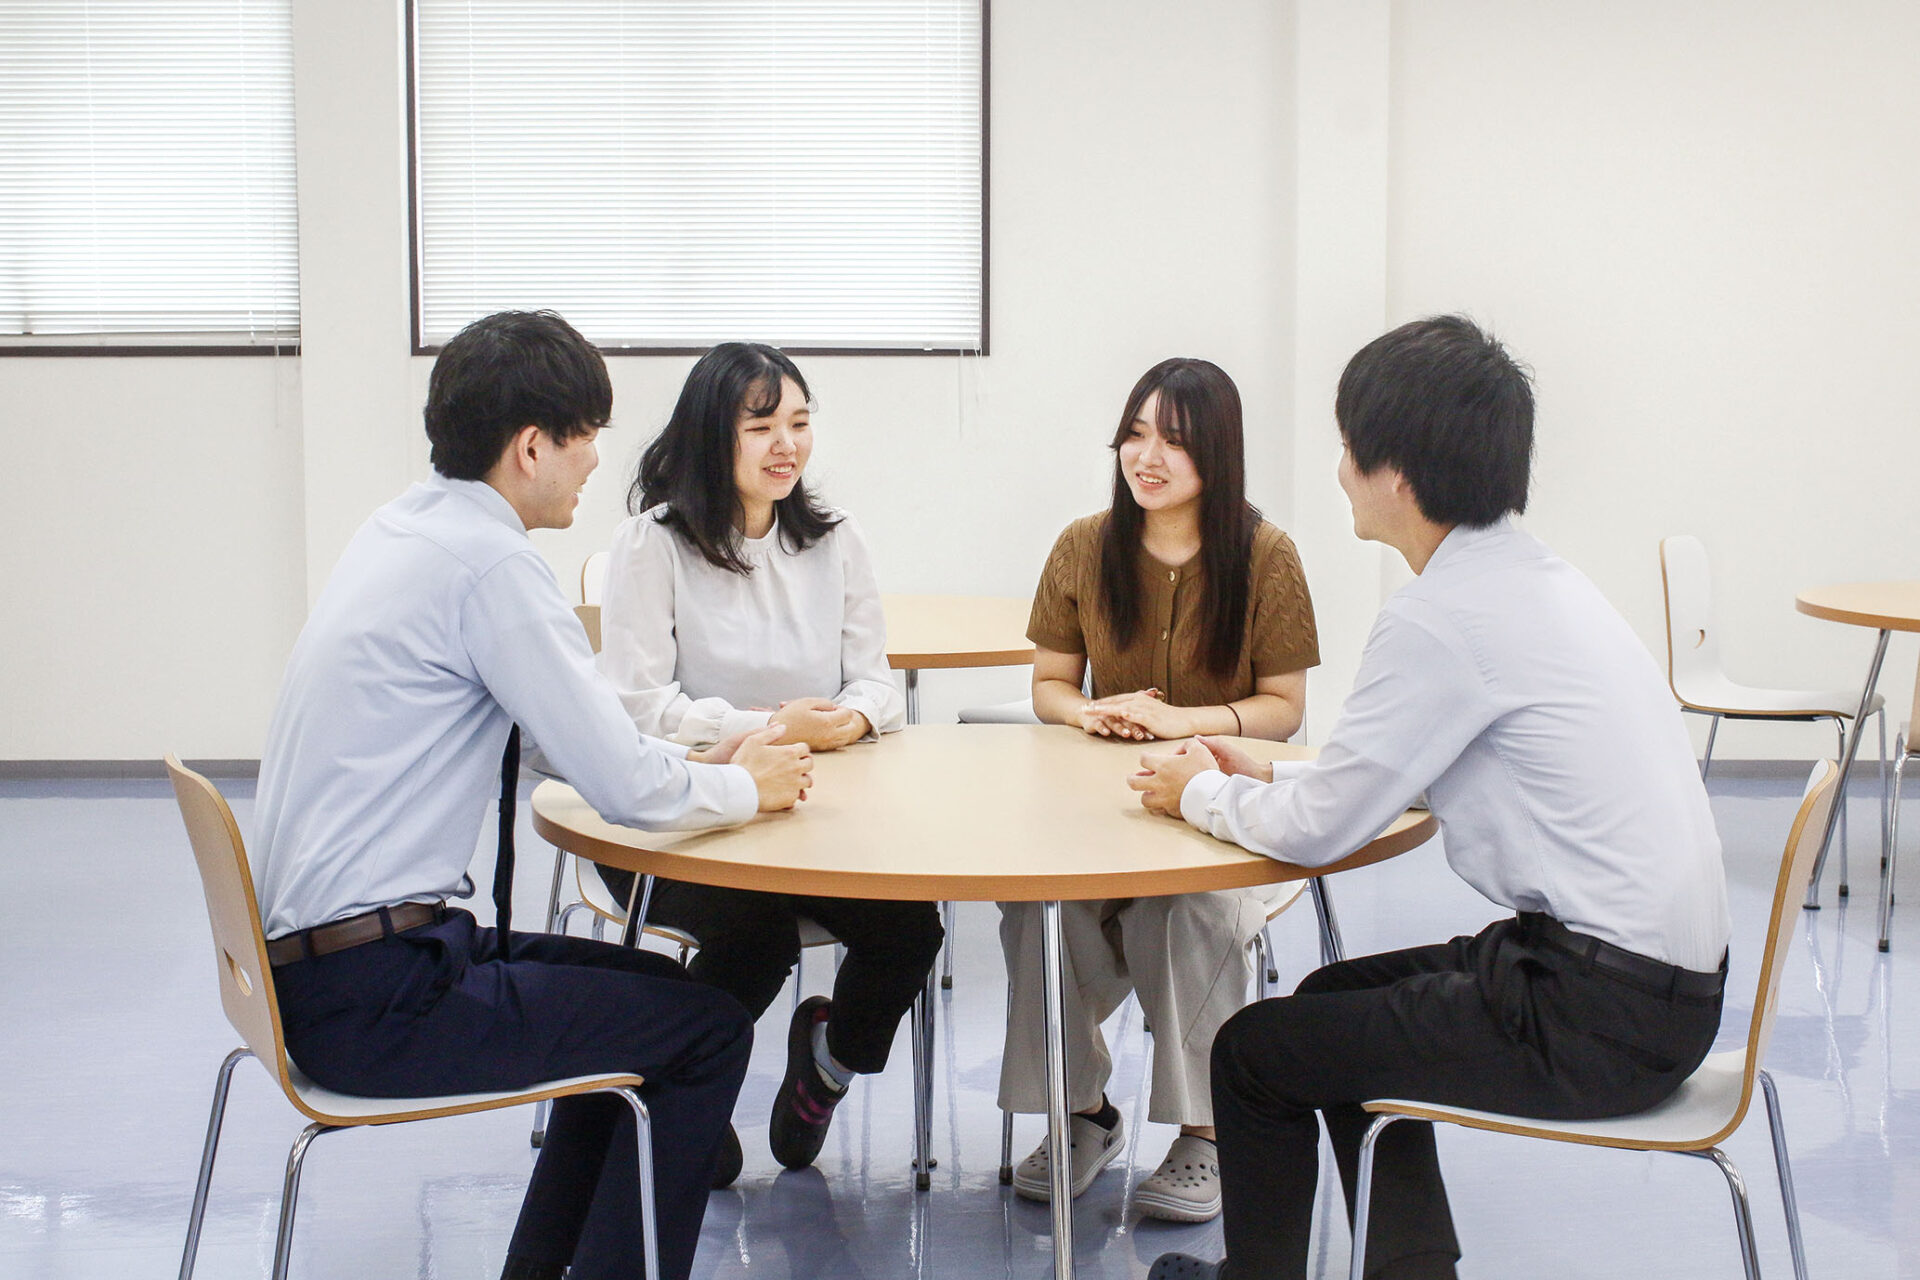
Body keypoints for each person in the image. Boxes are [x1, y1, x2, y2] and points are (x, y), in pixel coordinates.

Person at [1133, 316, 1731, 1280]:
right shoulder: (1535, 581)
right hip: (1646, 987)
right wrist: (1261, 770)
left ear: (1395, 476)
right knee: (1330, 1003)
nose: (1337, 471)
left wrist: (1196, 790)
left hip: (1595, 1012)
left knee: (1251, 1054)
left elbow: (1323, 829)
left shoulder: (1440, 617)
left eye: (1345, 448)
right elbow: (1384, 771)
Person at [251, 311, 814, 1280]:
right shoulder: (494, 564)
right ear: (531, 446)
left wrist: (701, 756)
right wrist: (743, 782)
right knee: (708, 1028)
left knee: (660, 1001)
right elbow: (628, 791)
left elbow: (554, 741)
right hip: (378, 997)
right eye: (586, 433)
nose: (597, 457)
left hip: (335, 965)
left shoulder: (404, 528)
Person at [594, 341, 943, 1178]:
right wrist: (765, 725)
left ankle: (824, 1065)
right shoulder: (652, 544)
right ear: (714, 435)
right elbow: (638, 707)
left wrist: (847, 724)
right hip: (683, 816)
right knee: (755, 937)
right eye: (762, 426)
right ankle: (686, 1088)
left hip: (810, 812)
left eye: (799, 421)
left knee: (910, 927)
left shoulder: (835, 540)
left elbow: (877, 683)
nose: (787, 443)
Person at [997, 357, 1319, 1223]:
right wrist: (1091, 712)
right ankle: (1083, 1114)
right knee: (1038, 910)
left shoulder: (1267, 555)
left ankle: (1205, 1133)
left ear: (1219, 453)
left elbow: (1286, 709)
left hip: (1217, 808)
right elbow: (1049, 686)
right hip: (1100, 805)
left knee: (1189, 913)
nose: (1148, 457)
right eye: (1136, 434)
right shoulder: (1082, 544)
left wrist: (1193, 722)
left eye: (1173, 440)